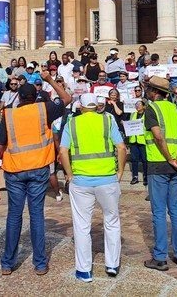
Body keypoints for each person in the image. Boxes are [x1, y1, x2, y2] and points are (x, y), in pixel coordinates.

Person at [0, 74, 71, 275]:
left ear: (18, 97)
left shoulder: (8, 114)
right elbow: (67, 99)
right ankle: (39, 264)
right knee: (36, 215)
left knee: (14, 215)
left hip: (14, 170)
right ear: (36, 95)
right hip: (38, 168)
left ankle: (7, 264)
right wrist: (50, 80)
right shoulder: (43, 109)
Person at [58, 93, 126, 282]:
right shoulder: (107, 120)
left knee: (81, 226)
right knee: (112, 221)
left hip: (80, 180)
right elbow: (121, 147)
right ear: (97, 106)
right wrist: (119, 171)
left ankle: (84, 270)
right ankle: (112, 264)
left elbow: (63, 151)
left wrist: (70, 174)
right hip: (107, 178)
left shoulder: (72, 123)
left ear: (80, 106)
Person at [142, 76, 177, 272]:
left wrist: (169, 157)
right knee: (175, 210)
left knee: (159, 212)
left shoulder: (152, 108)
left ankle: (160, 257)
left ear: (154, 92)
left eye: (147, 89)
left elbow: (158, 136)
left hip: (158, 164)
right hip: (174, 165)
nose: (145, 92)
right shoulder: (175, 108)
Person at [127, 98, 148, 186]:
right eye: (136, 105)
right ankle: (135, 176)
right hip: (133, 140)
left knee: (144, 160)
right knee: (134, 160)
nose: (137, 106)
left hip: (142, 140)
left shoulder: (147, 115)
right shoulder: (132, 114)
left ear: (144, 106)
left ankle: (145, 176)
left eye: (139, 104)